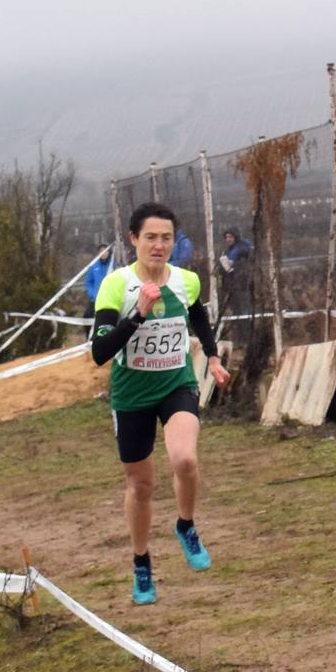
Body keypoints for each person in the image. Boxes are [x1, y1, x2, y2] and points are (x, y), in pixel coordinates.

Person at [91, 201, 231, 605]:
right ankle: (141, 562)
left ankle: (185, 525)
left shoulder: (186, 280)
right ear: (134, 239)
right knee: (141, 484)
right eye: (150, 237)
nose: (158, 245)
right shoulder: (117, 284)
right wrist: (138, 313)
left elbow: (198, 317)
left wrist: (214, 356)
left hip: (176, 383)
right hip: (132, 394)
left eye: (166, 238)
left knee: (185, 460)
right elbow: (100, 352)